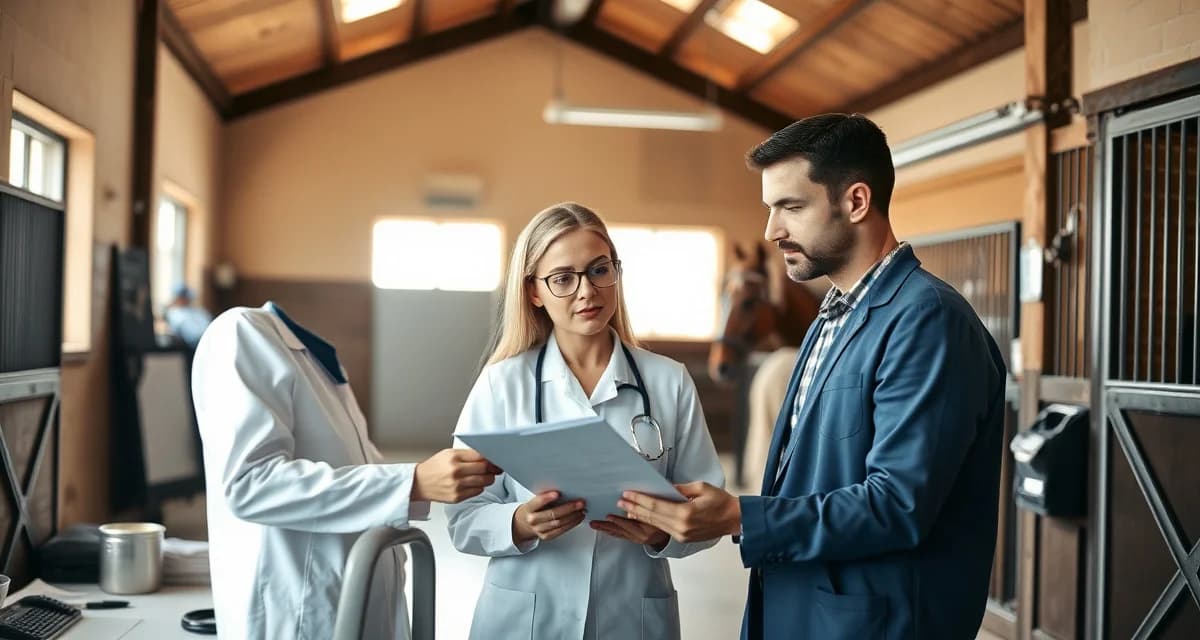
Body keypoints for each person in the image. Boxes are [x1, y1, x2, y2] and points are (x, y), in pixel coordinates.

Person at [617, 114, 1008, 640]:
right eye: (770, 209)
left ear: (856, 202)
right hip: (803, 610)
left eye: (791, 207)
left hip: (872, 625)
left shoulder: (927, 320)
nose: (771, 231)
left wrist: (741, 518)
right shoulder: (834, 314)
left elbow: (897, 505)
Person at [445, 202, 725, 640]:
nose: (587, 291)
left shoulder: (668, 381)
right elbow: (462, 517)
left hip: (632, 615)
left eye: (599, 270)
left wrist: (661, 533)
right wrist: (517, 524)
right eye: (563, 278)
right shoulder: (502, 383)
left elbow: (709, 512)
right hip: (525, 619)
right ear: (534, 291)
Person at [191, 301, 500, 640]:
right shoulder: (243, 331)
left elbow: (358, 479)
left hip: (357, 603)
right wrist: (413, 482)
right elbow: (250, 483)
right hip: (299, 618)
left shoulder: (322, 364)